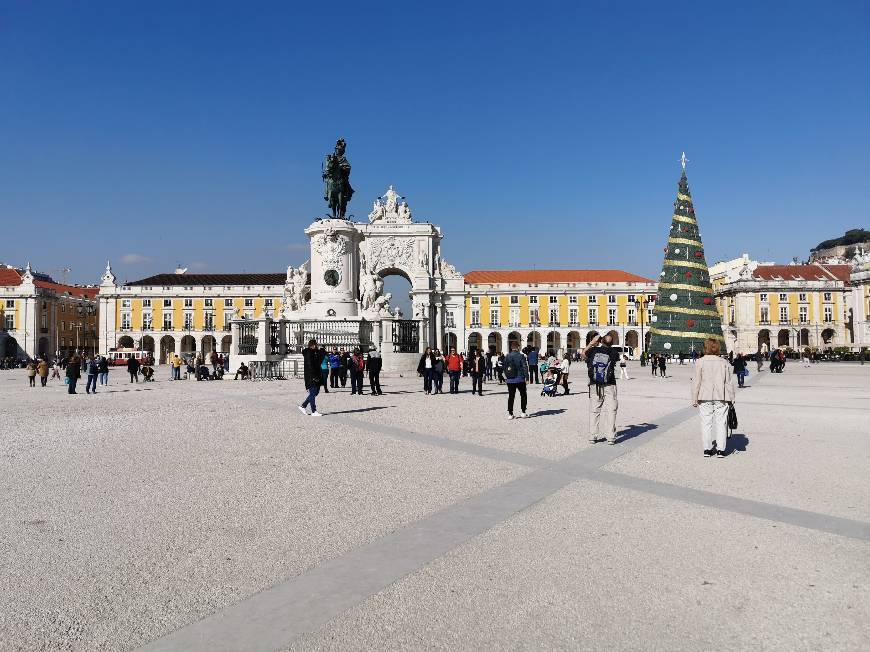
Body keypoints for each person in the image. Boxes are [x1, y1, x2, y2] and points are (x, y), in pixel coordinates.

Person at [692, 338, 736, 458]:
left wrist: (694, 398)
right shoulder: (724, 362)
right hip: (721, 396)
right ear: (717, 348)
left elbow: (696, 382)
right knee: (721, 423)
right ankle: (721, 450)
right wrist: (731, 398)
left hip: (704, 396)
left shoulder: (700, 362)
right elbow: (729, 382)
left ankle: (707, 449)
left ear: (705, 348)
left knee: (706, 423)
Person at [583, 333, 620, 445]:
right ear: (612, 343)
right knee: (611, 411)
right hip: (609, 384)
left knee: (594, 411)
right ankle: (610, 437)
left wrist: (591, 343)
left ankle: (592, 436)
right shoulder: (614, 353)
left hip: (595, 385)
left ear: (601, 341)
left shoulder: (593, 351)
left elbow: (583, 354)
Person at [299, 338, 325, 416]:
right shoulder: (308, 353)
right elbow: (310, 365)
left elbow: (318, 360)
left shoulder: (314, 352)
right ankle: (314, 411)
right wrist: (313, 376)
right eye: (316, 345)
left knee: (315, 392)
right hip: (311, 376)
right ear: (313, 345)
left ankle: (303, 406)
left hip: (315, 375)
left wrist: (322, 352)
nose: (317, 346)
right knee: (313, 392)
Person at [503, 341, 529, 419]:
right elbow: (525, 367)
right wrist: (527, 378)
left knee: (511, 396)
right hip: (520, 379)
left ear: (511, 347)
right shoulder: (521, 356)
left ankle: (510, 414)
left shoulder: (507, 356)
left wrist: (507, 376)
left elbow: (504, 368)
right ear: (518, 347)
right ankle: (523, 412)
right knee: (523, 395)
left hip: (510, 379)